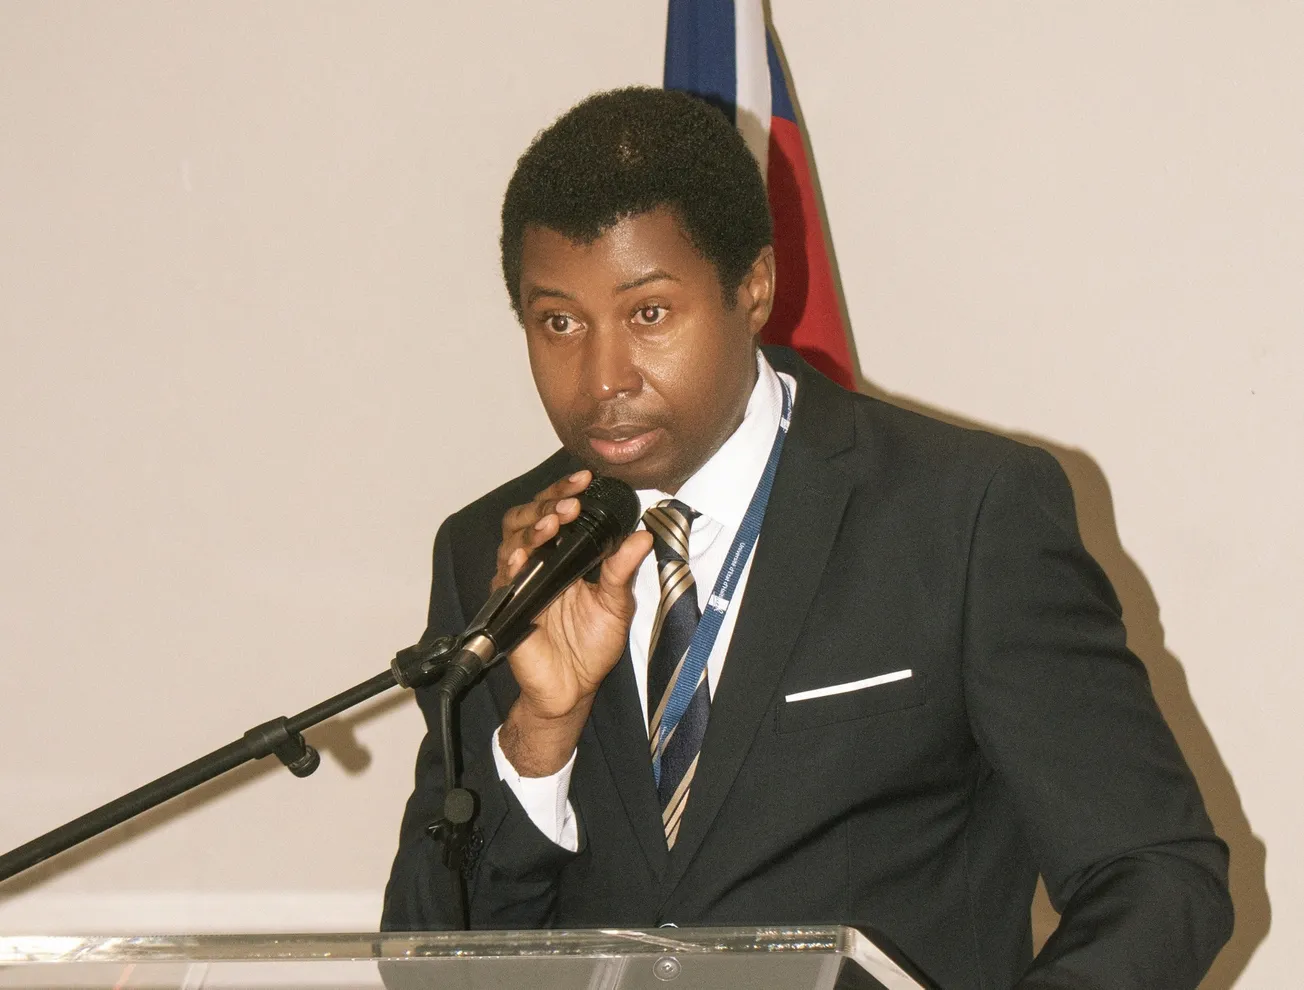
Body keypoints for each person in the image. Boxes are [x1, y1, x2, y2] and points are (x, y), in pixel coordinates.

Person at [381, 86, 1232, 989]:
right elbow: (432, 963)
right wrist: (539, 734)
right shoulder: (498, 556)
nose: (602, 378)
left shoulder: (962, 515)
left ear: (753, 288)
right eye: (559, 322)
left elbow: (1156, 873)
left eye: (649, 313)